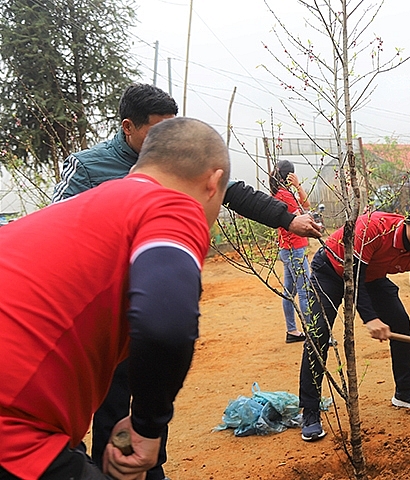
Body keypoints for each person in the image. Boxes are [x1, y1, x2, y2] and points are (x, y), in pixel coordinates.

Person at [51, 83, 322, 480]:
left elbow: (234, 193)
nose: (165, 138)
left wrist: (287, 218)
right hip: (99, 313)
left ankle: (149, 467)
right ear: (129, 127)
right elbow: (58, 227)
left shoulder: (175, 161)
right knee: (108, 412)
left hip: (142, 307)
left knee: (148, 403)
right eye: (156, 129)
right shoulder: (90, 167)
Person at [0, 117, 229, 480]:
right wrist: (147, 427)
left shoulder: (87, 206)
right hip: (13, 429)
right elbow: (165, 325)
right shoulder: (170, 205)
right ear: (213, 183)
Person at [298, 197, 410, 441]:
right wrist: (371, 318)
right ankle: (310, 411)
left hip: (370, 277)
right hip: (331, 270)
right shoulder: (374, 229)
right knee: (318, 334)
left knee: (401, 323)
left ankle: (406, 391)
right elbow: (353, 277)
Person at [270, 160, 312, 343]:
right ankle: (313, 335)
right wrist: (298, 186)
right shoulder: (286, 195)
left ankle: (292, 331)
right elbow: (306, 209)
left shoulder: (278, 194)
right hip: (295, 247)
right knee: (305, 291)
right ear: (289, 176)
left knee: (289, 292)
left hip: (286, 247)